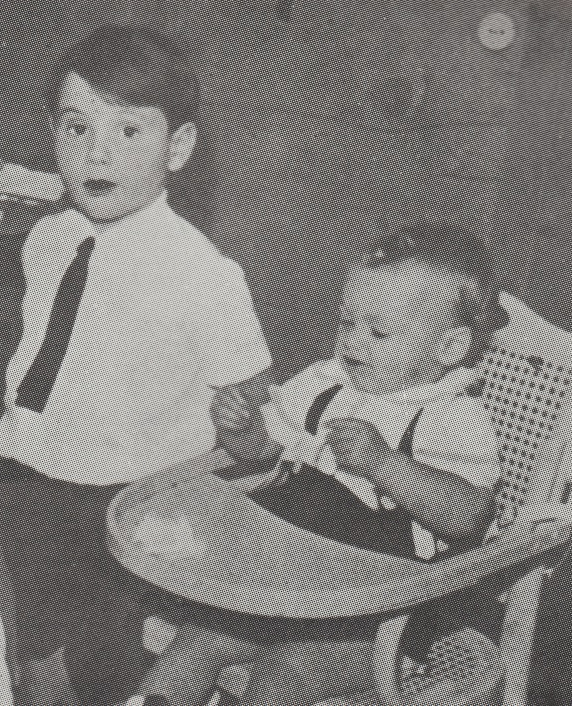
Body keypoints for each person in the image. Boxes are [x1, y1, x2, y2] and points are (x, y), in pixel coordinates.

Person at [0, 25, 273, 706]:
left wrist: (239, 432)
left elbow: (252, 418)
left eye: (128, 132)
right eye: (76, 128)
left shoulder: (204, 274)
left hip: (135, 508)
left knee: (78, 667)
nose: (97, 152)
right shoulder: (48, 241)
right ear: (50, 128)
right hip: (33, 482)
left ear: (178, 147)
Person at [129, 223, 508, 706]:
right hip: (285, 588)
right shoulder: (326, 385)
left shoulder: (449, 413)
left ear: (448, 348)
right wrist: (242, 428)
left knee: (286, 669)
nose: (353, 342)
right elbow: (264, 454)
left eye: (379, 331)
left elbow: (467, 513)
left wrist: (384, 464)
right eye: (347, 323)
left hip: (384, 617)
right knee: (199, 637)